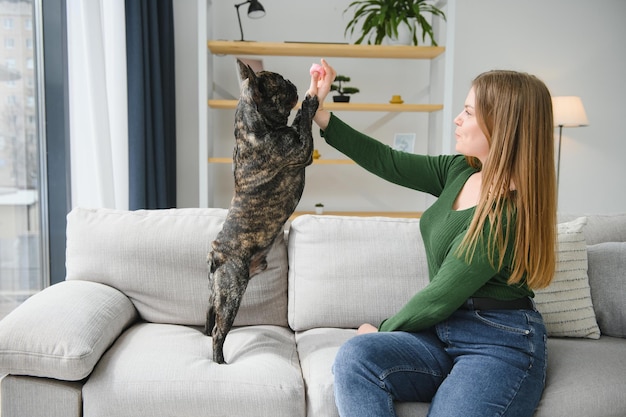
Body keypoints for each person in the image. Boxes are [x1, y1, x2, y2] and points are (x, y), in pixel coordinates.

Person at [306, 59, 557, 417]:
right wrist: (319, 112)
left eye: (468, 113)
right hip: (442, 333)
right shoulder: (460, 170)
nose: (457, 119)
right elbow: (388, 161)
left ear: (501, 126)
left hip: (499, 343)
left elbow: (440, 296)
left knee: (365, 345)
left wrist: (380, 330)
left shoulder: (508, 213)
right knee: (355, 357)